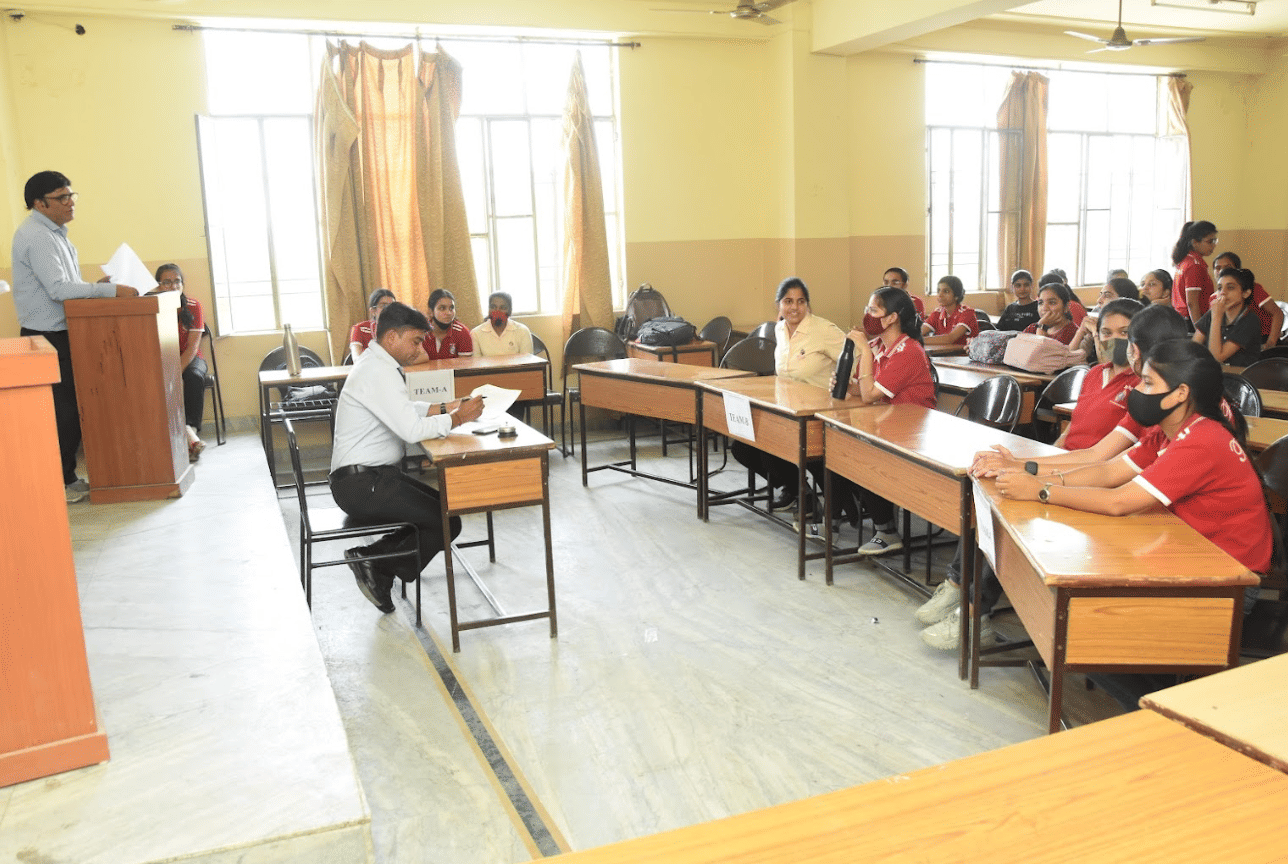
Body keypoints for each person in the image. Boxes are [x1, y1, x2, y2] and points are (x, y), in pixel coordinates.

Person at [994, 339, 1272, 703]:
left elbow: (1119, 502)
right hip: (1188, 556)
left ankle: (1166, 708)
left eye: (1147, 383)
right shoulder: (1169, 429)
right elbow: (1109, 472)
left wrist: (1040, 491)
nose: (1136, 392)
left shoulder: (1202, 439)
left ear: (1180, 393)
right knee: (1082, 616)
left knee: (1082, 633)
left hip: (1229, 582)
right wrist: (1034, 477)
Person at [918, 304, 1188, 650]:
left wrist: (1038, 485)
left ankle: (975, 611)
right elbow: (1090, 452)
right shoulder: (1100, 378)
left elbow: (1108, 475)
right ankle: (958, 588)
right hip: (1081, 471)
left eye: (1126, 337)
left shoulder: (1163, 412)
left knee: (1011, 510)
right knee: (990, 490)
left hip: (1127, 504)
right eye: (1106, 333)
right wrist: (1024, 466)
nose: (1117, 344)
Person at [329, 301, 485, 614]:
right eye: (414, 341)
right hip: (361, 486)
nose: (418, 349)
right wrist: (457, 418)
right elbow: (411, 430)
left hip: (373, 479)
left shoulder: (379, 366)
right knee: (444, 521)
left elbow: (402, 410)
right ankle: (375, 563)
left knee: (446, 516)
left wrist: (445, 407)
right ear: (391, 339)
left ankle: (377, 563)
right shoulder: (377, 371)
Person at [11, 170, 139, 503]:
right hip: (47, 334)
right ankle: (58, 481)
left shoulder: (56, 233)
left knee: (70, 409)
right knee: (62, 412)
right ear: (40, 203)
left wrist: (99, 285)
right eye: (62, 198)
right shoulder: (36, 235)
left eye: (71, 196)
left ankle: (66, 476)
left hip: (65, 331)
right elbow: (58, 289)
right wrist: (109, 290)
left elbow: (67, 284)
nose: (70, 203)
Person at [732, 276, 846, 512]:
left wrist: (845, 385)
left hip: (817, 413)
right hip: (787, 410)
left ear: (808, 305)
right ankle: (797, 491)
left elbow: (854, 357)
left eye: (801, 301)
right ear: (778, 305)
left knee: (770, 451)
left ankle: (813, 498)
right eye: (788, 301)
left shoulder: (823, 329)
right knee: (742, 448)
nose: (795, 307)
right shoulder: (779, 329)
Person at [836, 287, 936, 556]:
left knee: (861, 454)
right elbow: (864, 388)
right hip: (886, 425)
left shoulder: (908, 351)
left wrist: (865, 356)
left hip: (912, 435)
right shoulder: (878, 345)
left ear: (891, 318)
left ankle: (886, 531)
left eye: (873, 310)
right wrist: (845, 385)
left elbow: (870, 395)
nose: (866, 316)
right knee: (837, 444)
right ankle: (837, 517)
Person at [152, 264, 207, 462]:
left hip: (190, 357)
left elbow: (192, 348)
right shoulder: (151, 306)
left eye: (177, 281)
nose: (173, 286)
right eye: (166, 282)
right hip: (161, 358)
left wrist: (174, 373)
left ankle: (190, 429)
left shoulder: (193, 306)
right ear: (158, 285)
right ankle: (166, 434)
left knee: (194, 376)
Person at [1213, 251, 1283, 350]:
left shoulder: (1253, 288)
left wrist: (1270, 344)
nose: (1221, 271)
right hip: (1233, 343)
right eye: (1217, 268)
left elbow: (1278, 313)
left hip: (1261, 341)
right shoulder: (1213, 299)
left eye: (1227, 267)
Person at [1193, 267, 1262, 367]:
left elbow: (1217, 357)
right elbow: (1194, 347)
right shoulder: (1214, 312)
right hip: (1214, 373)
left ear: (1245, 293)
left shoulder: (1250, 320)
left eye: (1230, 287)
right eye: (1220, 288)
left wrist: (1216, 317)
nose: (1222, 292)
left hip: (1239, 378)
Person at [1171, 220, 1218, 325]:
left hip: (1183, 318)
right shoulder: (1194, 266)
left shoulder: (1186, 261)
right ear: (1195, 242)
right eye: (1210, 241)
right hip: (1192, 321)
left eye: (1215, 241)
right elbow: (1192, 303)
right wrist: (1199, 329)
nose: (1214, 245)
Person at [471, 291, 534, 357]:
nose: (497, 311)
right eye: (493, 307)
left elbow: (527, 363)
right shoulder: (476, 333)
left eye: (502, 308)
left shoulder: (522, 331)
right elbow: (477, 364)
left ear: (510, 311)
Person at [921, 275, 979, 346]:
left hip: (964, 356)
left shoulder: (967, 313)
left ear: (957, 295)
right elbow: (919, 332)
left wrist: (917, 340)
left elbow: (950, 339)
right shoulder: (937, 313)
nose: (940, 295)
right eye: (938, 290)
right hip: (943, 355)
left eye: (946, 291)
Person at [423, 288, 474, 360]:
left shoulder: (462, 333)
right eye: (442, 308)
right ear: (431, 312)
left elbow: (464, 367)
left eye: (451, 308)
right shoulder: (421, 332)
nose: (448, 313)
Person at [348, 288, 396, 361]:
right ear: (373, 311)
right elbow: (356, 359)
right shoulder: (359, 328)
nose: (388, 309)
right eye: (383, 306)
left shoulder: (400, 328)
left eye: (392, 306)